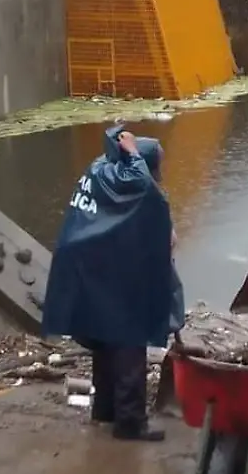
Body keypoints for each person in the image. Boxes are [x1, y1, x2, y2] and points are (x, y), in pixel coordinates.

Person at [41, 125, 184, 442]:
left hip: (87, 269)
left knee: (104, 341)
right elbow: (145, 196)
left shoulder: (101, 172)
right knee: (129, 344)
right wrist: (135, 154)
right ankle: (130, 423)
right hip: (111, 277)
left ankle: (105, 411)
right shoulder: (135, 182)